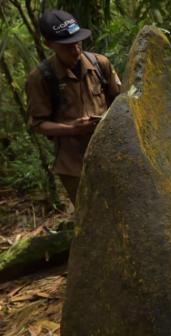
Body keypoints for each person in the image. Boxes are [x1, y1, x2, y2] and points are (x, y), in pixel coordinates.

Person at [26, 9, 121, 204]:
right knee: (90, 218)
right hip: (73, 165)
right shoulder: (41, 78)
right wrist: (72, 129)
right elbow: (37, 124)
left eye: (77, 41)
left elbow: (121, 103)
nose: (75, 49)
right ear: (49, 44)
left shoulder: (100, 64)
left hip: (111, 156)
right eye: (67, 45)